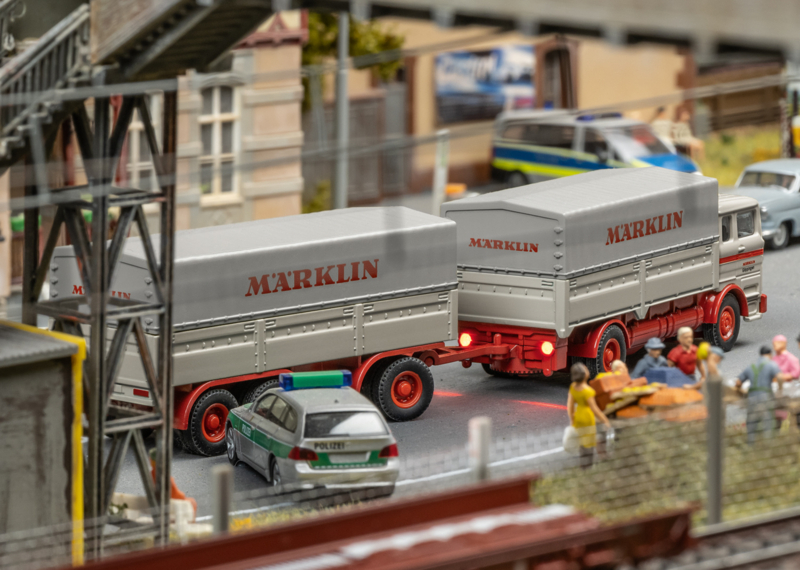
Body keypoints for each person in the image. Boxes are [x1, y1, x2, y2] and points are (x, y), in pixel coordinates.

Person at [567, 362, 611, 468]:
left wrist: (572, 419)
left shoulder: (573, 387)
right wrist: (604, 420)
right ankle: (588, 466)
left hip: (578, 416)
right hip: (587, 417)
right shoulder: (588, 391)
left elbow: (570, 406)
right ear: (584, 374)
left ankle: (583, 463)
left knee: (582, 442)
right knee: (589, 443)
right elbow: (594, 409)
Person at [736, 345, 782, 444]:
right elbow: (780, 377)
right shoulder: (771, 364)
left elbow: (738, 383)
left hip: (752, 398)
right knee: (767, 422)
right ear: (770, 354)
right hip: (766, 398)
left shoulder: (751, 366)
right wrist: (780, 389)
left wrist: (742, 391)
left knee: (751, 423)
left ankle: (751, 444)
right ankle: (768, 444)